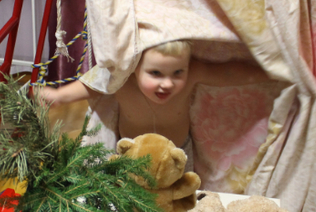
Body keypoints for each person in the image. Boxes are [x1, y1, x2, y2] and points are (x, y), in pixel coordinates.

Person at [37, 41, 271, 171]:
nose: (167, 83)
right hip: (129, 156)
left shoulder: (193, 73)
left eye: (177, 72)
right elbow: (92, 84)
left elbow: (229, 73)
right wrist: (60, 95)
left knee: (178, 204)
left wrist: (271, 72)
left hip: (177, 155)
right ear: (134, 68)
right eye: (155, 73)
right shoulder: (122, 80)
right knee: (129, 207)